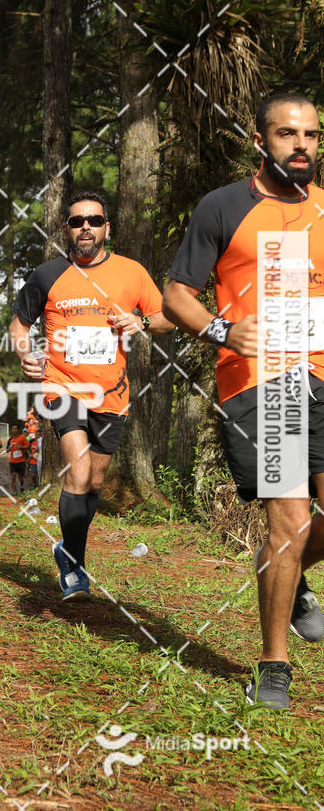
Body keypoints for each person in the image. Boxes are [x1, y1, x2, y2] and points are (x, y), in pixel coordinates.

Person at [163, 93, 324, 709]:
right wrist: (221, 329)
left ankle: (293, 569)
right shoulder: (225, 206)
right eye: (287, 134)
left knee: (301, 530)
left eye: (311, 134)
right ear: (261, 141)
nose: (301, 144)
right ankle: (273, 666)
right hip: (262, 380)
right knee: (290, 518)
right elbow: (177, 294)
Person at [10, 190, 173, 600]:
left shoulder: (131, 273)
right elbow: (18, 328)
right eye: (77, 221)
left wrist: (139, 322)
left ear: (106, 227)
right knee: (78, 471)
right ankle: (76, 567)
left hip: (112, 393)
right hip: (61, 385)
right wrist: (28, 358)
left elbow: (167, 317)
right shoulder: (46, 275)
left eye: (94, 220)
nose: (85, 227)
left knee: (95, 480)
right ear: (66, 229)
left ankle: (68, 550)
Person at [7, 424, 29, 494]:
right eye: (13, 429)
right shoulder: (10, 439)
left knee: (20, 478)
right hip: (12, 461)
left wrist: (21, 447)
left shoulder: (22, 438)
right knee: (13, 476)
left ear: (18, 430)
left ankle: (21, 486)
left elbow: (28, 446)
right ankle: (14, 492)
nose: (14, 430)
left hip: (21, 461)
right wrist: (9, 449)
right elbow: (7, 450)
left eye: (15, 429)